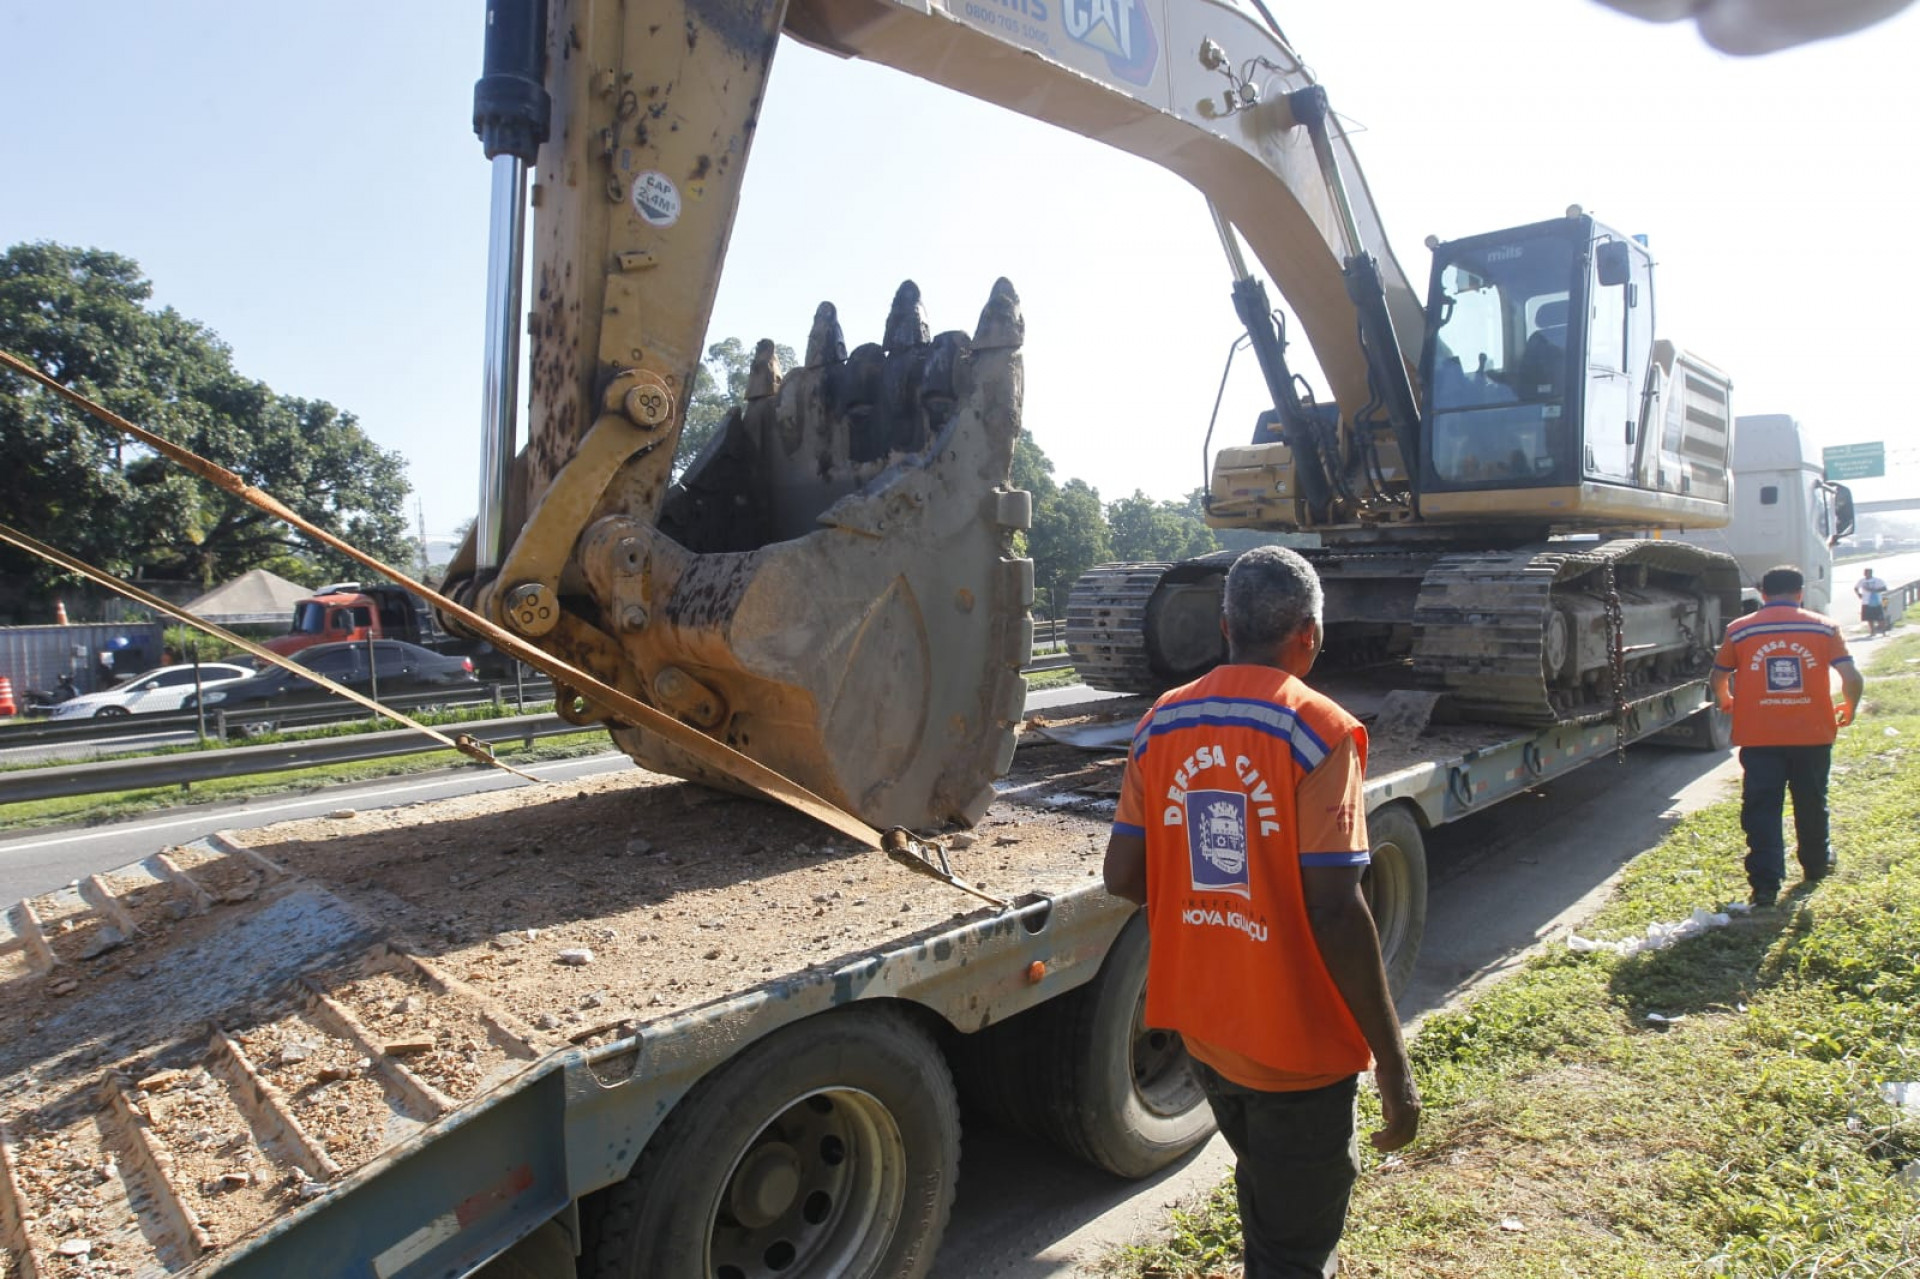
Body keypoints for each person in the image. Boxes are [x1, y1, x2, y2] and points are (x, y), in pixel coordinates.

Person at [1103, 546, 1420, 1278]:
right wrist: (1394, 1069)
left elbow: (1123, 875)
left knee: (1269, 1200)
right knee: (1294, 1250)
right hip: (1296, 1052)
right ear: (1307, 635)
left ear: (1224, 625)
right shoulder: (1318, 729)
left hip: (1208, 1033)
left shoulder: (1161, 723)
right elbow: (1338, 911)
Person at [1711, 565, 1864, 908]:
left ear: (1763, 594)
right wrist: (1849, 707)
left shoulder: (1739, 630)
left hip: (1759, 737)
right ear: (1800, 593)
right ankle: (1815, 865)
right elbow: (1852, 677)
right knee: (1811, 800)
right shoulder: (1824, 628)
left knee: (1762, 807)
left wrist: (1725, 700)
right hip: (1813, 735)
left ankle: (1765, 885)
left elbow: (1718, 676)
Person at [1855, 566, 1890, 637]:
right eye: (1864, 572)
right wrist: (1859, 594)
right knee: (1869, 618)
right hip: (1866, 602)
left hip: (1877, 601)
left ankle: (1884, 632)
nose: (1865, 574)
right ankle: (1872, 632)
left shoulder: (1878, 580)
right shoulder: (1862, 581)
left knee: (1880, 618)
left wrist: (1874, 590)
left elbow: (1884, 588)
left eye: (1867, 572)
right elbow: (1856, 588)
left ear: (1871, 573)